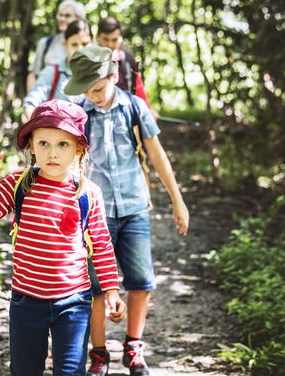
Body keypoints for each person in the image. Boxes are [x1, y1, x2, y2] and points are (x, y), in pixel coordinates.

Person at [0, 99, 127, 376]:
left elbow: (100, 244)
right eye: (44, 144)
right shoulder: (19, 184)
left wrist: (111, 291)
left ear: (79, 148)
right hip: (26, 300)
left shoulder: (88, 192)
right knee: (25, 371)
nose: (53, 153)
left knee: (71, 371)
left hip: (73, 302)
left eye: (63, 144)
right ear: (31, 146)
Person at [63, 45, 190, 376]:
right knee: (94, 286)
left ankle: (134, 346)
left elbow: (157, 154)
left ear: (113, 76)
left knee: (140, 280)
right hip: (93, 214)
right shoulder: (77, 112)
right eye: (87, 90)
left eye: (98, 88)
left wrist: (177, 199)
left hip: (134, 207)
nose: (94, 96)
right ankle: (99, 353)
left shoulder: (134, 108)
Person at [23, 19, 92, 119]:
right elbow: (31, 102)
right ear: (65, 44)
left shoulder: (99, 74)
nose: (80, 50)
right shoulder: (52, 72)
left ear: (92, 42)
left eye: (85, 44)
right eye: (74, 44)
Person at [27, 0, 87, 92]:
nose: (62, 19)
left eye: (67, 16)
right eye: (60, 15)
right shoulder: (46, 43)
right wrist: (34, 103)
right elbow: (33, 74)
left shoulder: (89, 46)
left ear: (79, 19)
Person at [96, 16, 151, 108]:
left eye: (114, 40)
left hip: (126, 112)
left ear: (121, 37)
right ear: (98, 36)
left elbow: (138, 88)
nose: (109, 45)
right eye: (105, 39)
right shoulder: (89, 59)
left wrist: (147, 109)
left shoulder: (128, 58)